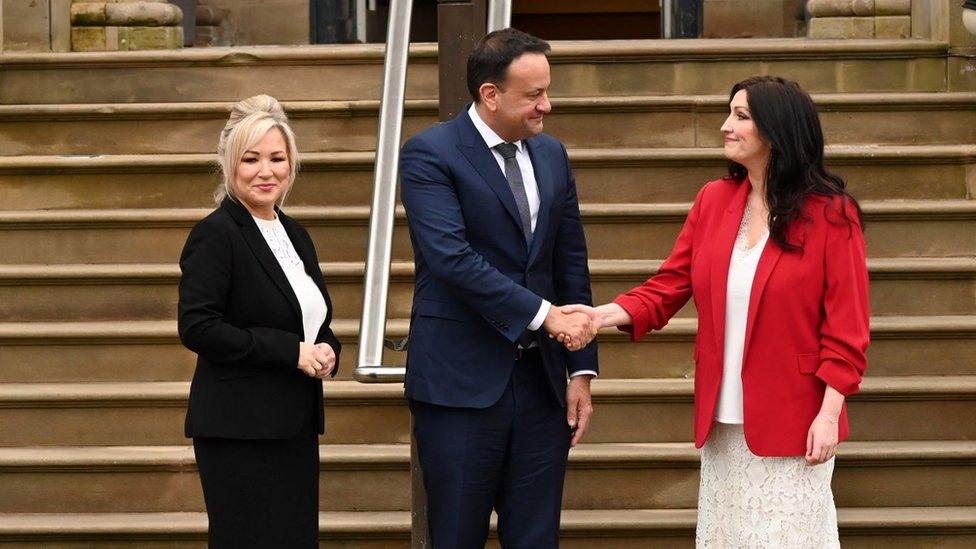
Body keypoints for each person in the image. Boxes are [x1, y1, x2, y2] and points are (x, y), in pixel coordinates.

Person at [561, 76, 869, 547]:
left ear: (775, 131)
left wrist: (829, 414)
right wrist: (602, 315)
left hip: (796, 421)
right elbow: (669, 285)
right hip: (724, 422)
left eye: (740, 116)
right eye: (730, 113)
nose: (726, 126)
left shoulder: (832, 214)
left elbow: (847, 328)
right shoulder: (714, 200)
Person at [399, 28, 601, 548]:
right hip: (460, 385)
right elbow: (451, 260)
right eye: (533, 95)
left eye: (547, 91)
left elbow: (570, 261)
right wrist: (544, 315)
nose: (546, 106)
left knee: (536, 539)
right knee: (456, 537)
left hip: (541, 386)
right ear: (491, 95)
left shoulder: (553, 155)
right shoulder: (429, 154)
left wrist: (581, 369)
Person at [177, 94, 341, 548]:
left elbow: (311, 319)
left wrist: (327, 349)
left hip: (294, 423)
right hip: (239, 429)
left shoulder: (294, 233)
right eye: (251, 159)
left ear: (292, 164)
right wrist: (291, 351)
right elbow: (198, 326)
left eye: (277, 158)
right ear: (230, 165)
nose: (266, 171)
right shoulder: (216, 234)